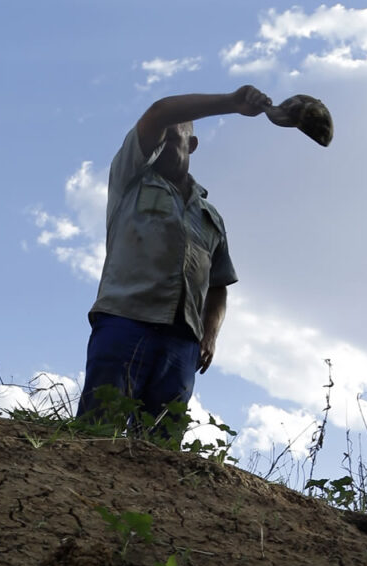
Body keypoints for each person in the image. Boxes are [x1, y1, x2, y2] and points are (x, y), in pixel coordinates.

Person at [76, 85, 273, 430]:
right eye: (160, 132)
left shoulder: (210, 215)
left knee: (161, 448)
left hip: (182, 341)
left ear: (192, 144)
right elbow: (158, 112)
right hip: (126, 321)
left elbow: (219, 285)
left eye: (174, 131)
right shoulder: (131, 180)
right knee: (97, 432)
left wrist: (208, 336)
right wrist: (231, 103)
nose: (162, 137)